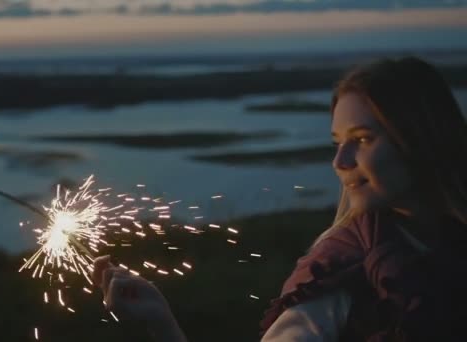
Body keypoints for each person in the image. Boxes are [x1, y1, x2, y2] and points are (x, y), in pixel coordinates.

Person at [91, 57, 467, 341]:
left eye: (363, 139)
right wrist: (162, 325)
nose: (340, 161)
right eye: (337, 143)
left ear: (420, 137)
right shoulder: (338, 270)